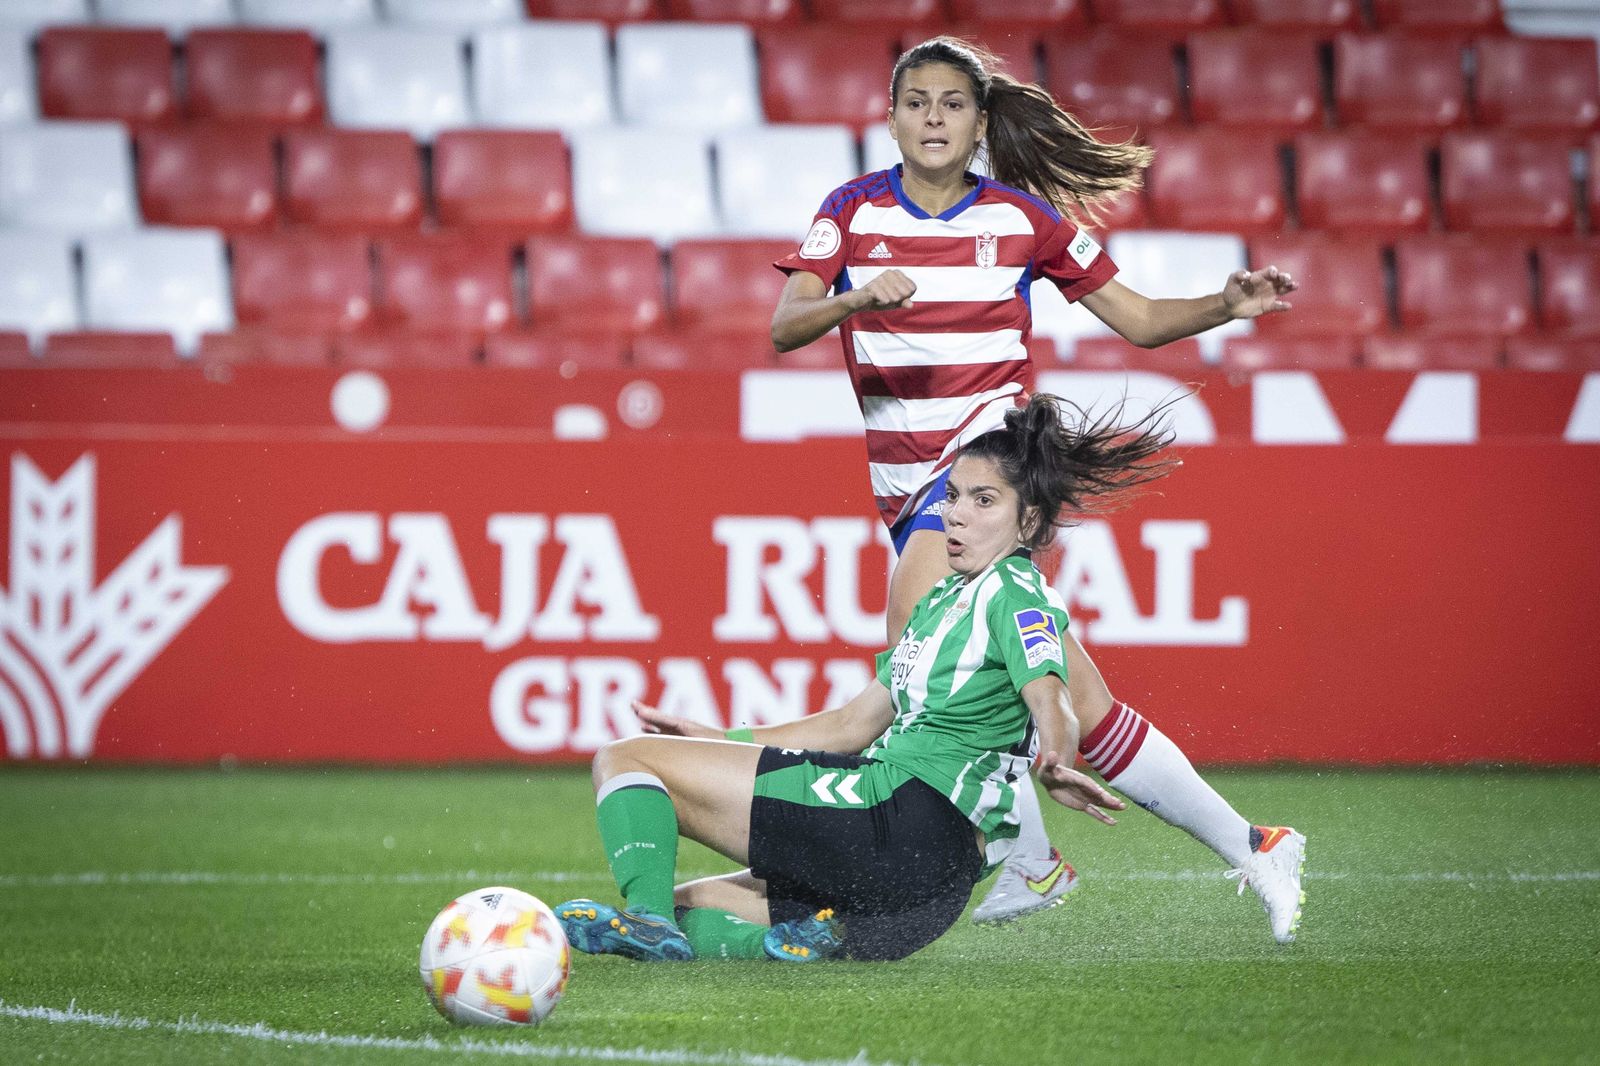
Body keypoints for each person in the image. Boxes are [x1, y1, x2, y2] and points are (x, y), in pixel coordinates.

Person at [766, 35, 1305, 936]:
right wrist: (856, 300)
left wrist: (1226, 304)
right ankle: (1238, 842)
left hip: (980, 475)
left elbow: (1134, 320)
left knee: (915, 683)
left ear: (979, 122)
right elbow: (786, 326)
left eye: (951, 104)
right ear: (891, 116)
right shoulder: (851, 212)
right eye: (916, 102)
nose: (932, 117)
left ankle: (1016, 861)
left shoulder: (1019, 218)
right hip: (909, 492)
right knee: (1067, 704)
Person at [553, 394, 1195, 963]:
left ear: (1029, 523)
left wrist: (1056, 752)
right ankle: (784, 941)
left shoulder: (1014, 592)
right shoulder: (945, 604)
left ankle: (646, 924)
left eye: (983, 500)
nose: (956, 515)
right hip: (922, 900)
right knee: (685, 901)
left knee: (625, 759)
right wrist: (718, 736)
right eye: (951, 496)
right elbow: (851, 724)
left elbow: (1049, 690)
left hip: (900, 819)